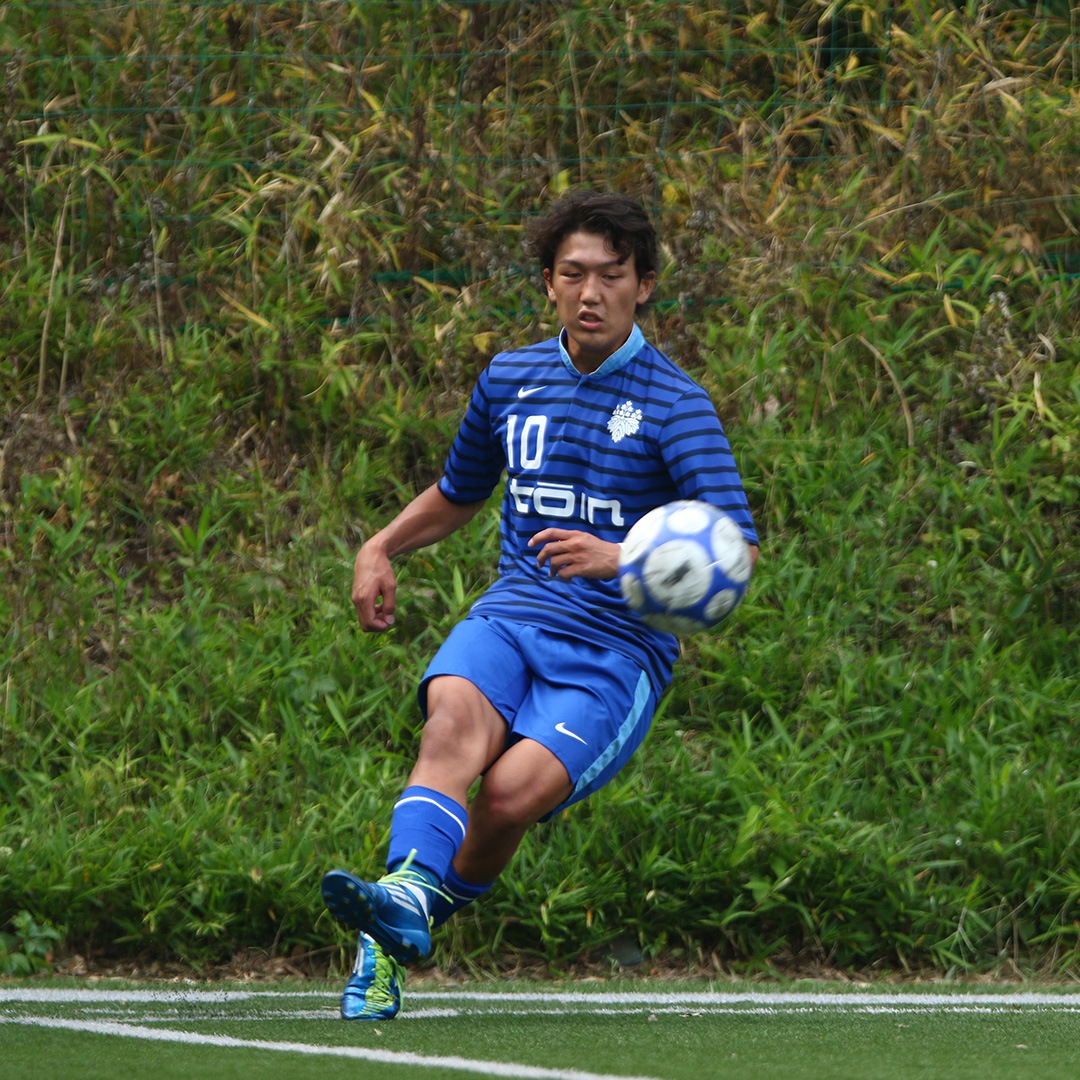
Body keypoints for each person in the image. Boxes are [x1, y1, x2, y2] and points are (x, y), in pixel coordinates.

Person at [321, 189, 759, 1019]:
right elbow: (460, 492)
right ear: (549, 285)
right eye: (573, 275)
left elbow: (736, 552)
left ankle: (400, 924)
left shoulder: (677, 406)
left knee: (509, 798)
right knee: (449, 721)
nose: (591, 292)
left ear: (645, 286)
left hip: (616, 652)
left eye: (612, 275)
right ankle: (400, 909)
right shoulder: (510, 377)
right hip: (513, 614)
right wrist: (380, 545)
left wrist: (622, 558)